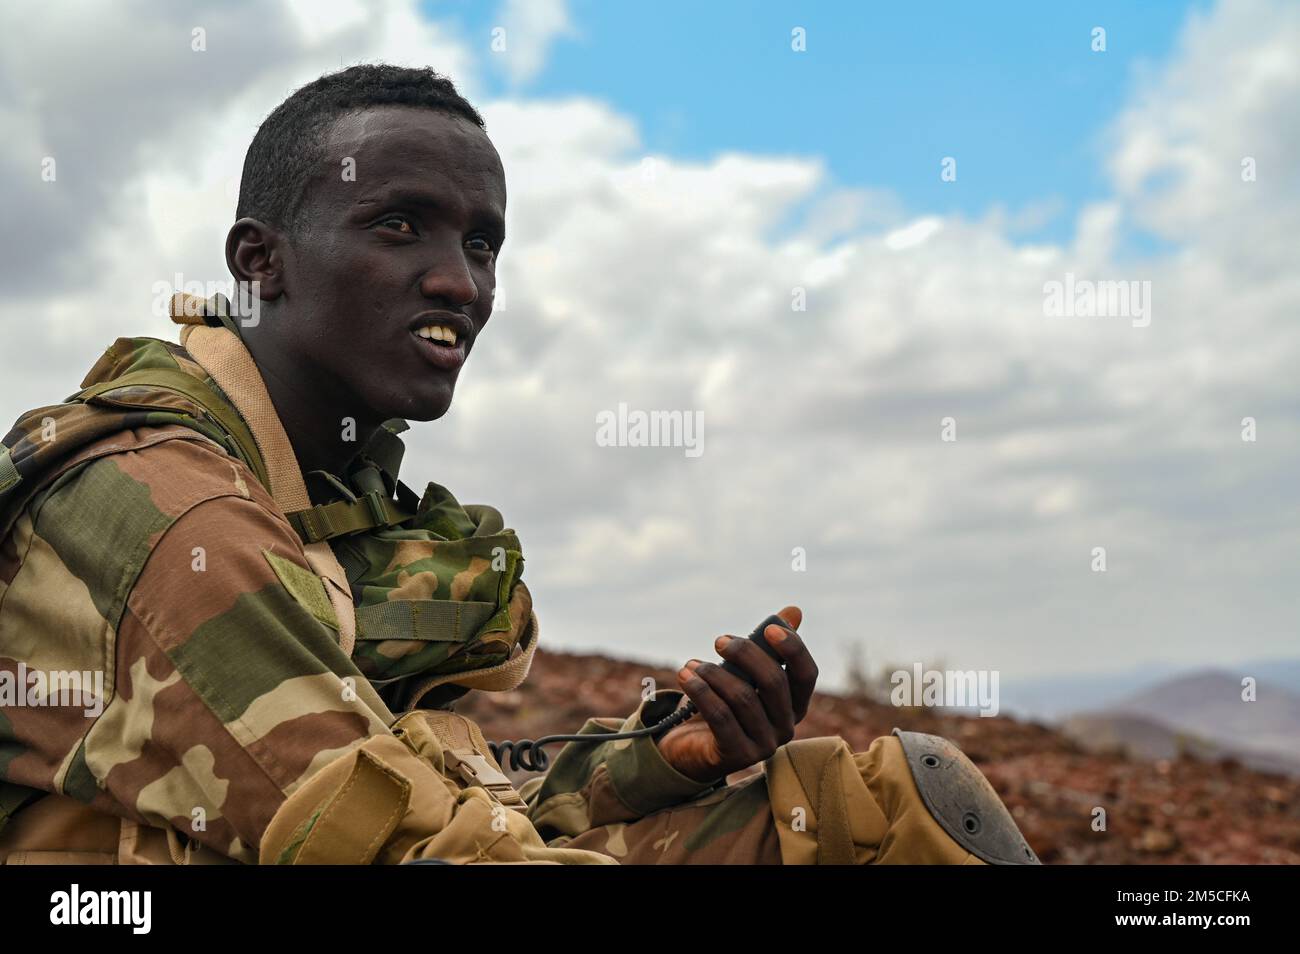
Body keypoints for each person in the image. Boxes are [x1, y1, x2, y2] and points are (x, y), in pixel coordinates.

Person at [0, 65, 1037, 865]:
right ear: (258, 260)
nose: (458, 280)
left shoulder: (324, 502)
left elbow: (422, 786)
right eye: (398, 225)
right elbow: (391, 842)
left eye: (484, 245)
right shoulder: (166, 508)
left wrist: (656, 761)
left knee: (880, 806)